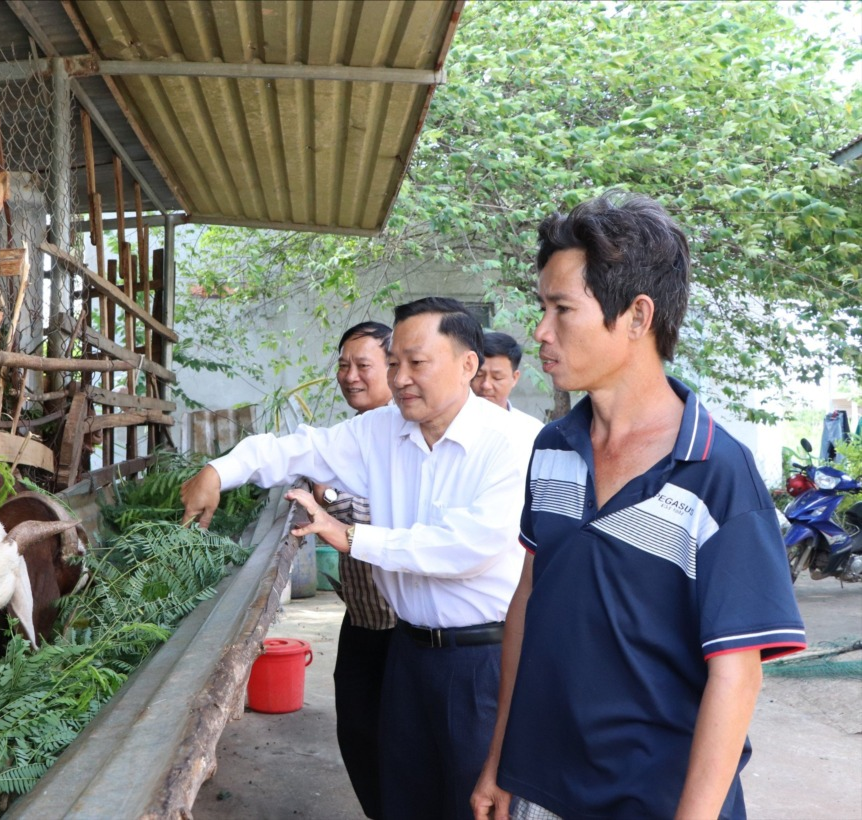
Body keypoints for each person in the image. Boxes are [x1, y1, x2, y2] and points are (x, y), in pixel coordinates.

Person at [470, 192, 806, 820]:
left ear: (636, 315)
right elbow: (527, 604)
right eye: (542, 307)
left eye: (562, 308)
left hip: (657, 801)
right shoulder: (553, 448)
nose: (540, 330)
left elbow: (737, 676)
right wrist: (499, 761)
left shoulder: (715, 471)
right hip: (540, 790)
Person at [182, 297, 530, 820]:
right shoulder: (381, 431)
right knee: (401, 798)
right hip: (408, 653)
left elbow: (467, 548)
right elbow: (298, 449)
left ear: (467, 364)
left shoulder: (514, 441)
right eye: (395, 364)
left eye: (418, 362)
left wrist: (355, 539)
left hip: (481, 661)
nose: (402, 377)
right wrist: (218, 470)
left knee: (475, 803)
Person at [317, 321, 396, 819]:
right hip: (361, 620)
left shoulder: (405, 433)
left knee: (393, 744)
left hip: (402, 629)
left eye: (363, 365)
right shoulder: (351, 437)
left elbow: (391, 518)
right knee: (356, 732)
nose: (350, 376)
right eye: (344, 365)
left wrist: (326, 499)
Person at [472, 331, 544, 444]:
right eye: (479, 375)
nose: (486, 385)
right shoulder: (446, 427)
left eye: (497, 377)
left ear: (514, 378)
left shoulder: (532, 432)